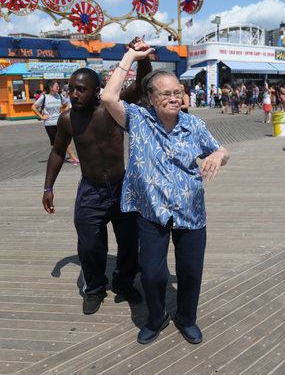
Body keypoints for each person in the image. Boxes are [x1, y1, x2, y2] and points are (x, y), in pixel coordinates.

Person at [101, 41, 229, 345]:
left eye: (178, 93)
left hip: (190, 210)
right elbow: (108, 96)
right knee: (153, 273)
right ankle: (156, 317)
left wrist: (217, 156)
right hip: (151, 211)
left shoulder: (194, 125)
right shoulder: (138, 120)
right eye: (166, 94)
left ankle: (186, 318)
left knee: (190, 272)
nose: (174, 98)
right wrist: (131, 56)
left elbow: (222, 149)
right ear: (150, 98)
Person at [42, 38, 152, 315]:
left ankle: (125, 282)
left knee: (129, 242)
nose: (74, 94)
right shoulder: (67, 119)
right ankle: (94, 288)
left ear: (97, 91)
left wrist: (142, 56)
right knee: (90, 245)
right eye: (70, 89)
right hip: (91, 191)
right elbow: (57, 152)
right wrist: (47, 188)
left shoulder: (111, 109)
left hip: (122, 187)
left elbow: (141, 84)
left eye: (81, 89)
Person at [32, 80, 79, 164]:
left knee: (67, 140)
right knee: (54, 143)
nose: (58, 88)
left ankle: (73, 158)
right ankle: (56, 158)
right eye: (56, 86)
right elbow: (34, 107)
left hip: (60, 122)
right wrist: (42, 116)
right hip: (49, 123)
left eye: (58, 86)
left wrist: (64, 113)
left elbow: (67, 105)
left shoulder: (60, 96)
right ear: (51, 87)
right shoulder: (44, 97)